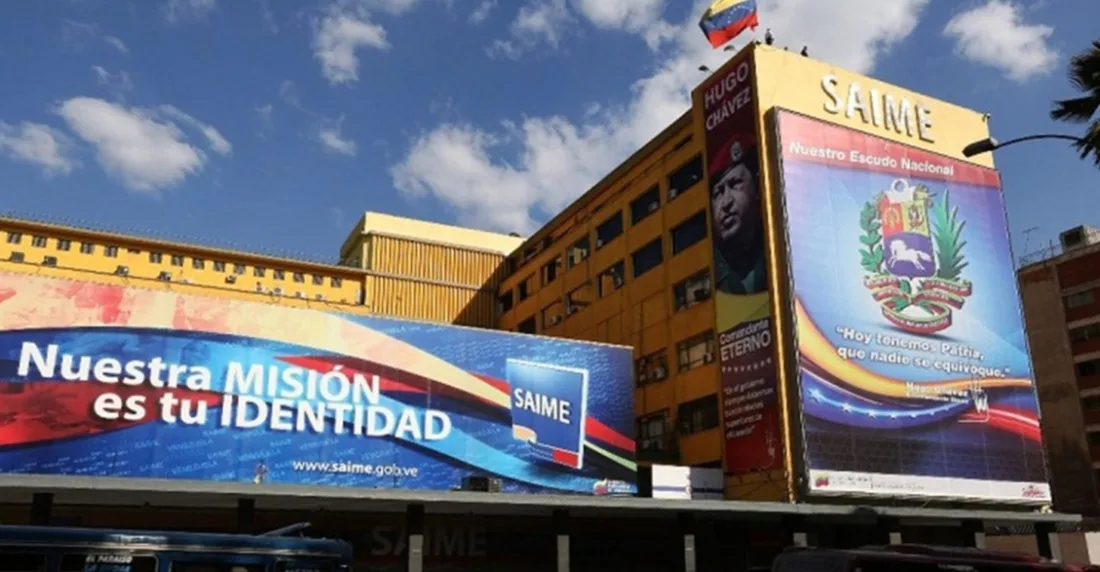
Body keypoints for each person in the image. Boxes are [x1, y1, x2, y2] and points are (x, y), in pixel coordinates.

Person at [709, 133, 768, 295]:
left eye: (735, 185)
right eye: (718, 193)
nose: (726, 202)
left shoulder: (776, 248)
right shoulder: (709, 267)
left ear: (756, 188)